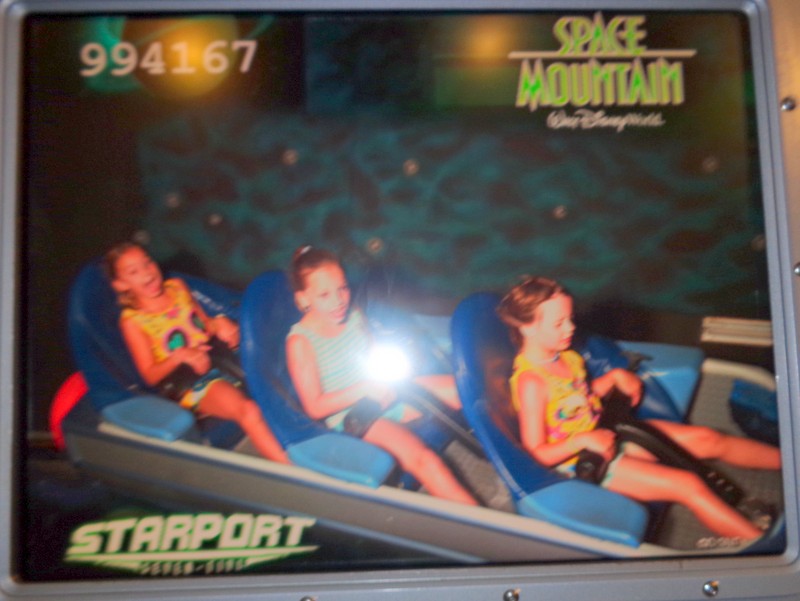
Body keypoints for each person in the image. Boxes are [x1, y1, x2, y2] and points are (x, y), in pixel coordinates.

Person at [496, 275, 781, 541]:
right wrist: (583, 441)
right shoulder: (531, 383)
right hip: (581, 463)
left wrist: (614, 377)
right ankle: (766, 550)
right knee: (687, 485)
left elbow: (576, 401)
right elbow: (535, 453)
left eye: (570, 319)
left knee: (709, 439)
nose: (570, 328)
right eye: (559, 323)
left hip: (608, 431)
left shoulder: (566, 357)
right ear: (528, 328)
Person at [285, 245, 477, 505]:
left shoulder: (353, 314)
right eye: (324, 295)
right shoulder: (301, 342)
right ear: (303, 299)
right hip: (356, 415)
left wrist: (389, 372)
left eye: (343, 288)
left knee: (468, 389)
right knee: (425, 460)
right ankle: (488, 526)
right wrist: (364, 389)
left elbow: (373, 354)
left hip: (383, 390)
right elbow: (314, 407)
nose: (339, 301)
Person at [105, 242, 289, 464]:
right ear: (121, 284)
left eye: (147, 263)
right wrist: (180, 356)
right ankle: (293, 470)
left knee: (275, 369)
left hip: (217, 358)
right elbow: (150, 375)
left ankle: (303, 435)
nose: (147, 272)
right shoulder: (133, 321)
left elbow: (203, 325)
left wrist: (220, 324)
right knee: (248, 410)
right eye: (134, 272)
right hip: (189, 381)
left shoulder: (177, 287)